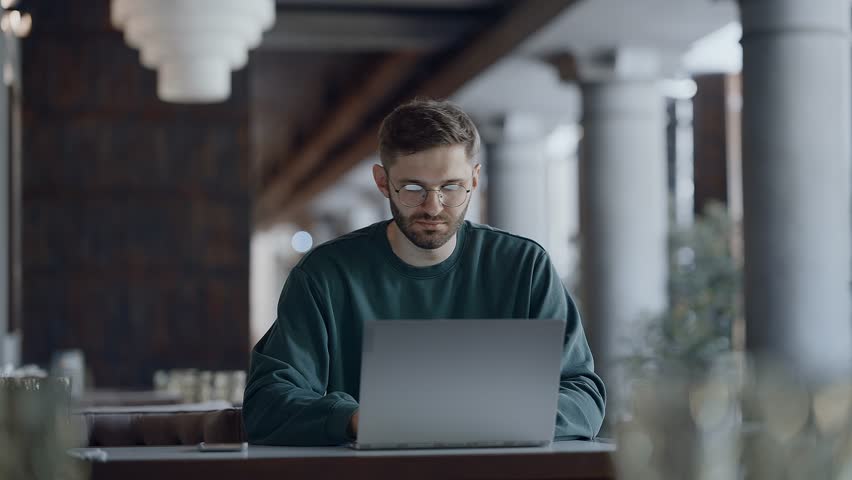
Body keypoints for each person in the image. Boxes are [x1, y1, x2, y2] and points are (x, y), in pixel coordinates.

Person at [243, 98, 605, 446]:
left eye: (451, 187)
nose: (433, 206)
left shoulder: (525, 266)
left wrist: (492, 421)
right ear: (383, 182)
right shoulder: (325, 274)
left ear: (474, 179)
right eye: (413, 188)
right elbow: (266, 404)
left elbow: (583, 396)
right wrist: (358, 420)